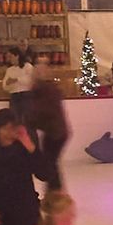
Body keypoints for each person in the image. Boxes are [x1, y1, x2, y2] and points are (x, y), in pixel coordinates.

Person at [25, 61, 71, 190]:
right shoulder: (47, 89)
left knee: (50, 163)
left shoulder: (44, 90)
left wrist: (29, 121)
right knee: (51, 163)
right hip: (56, 132)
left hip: (55, 133)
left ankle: (55, 191)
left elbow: (43, 111)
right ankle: (55, 191)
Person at [3, 49, 36, 118]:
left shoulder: (28, 66)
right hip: (14, 96)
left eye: (10, 56)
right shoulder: (9, 70)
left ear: (17, 56)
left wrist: (17, 79)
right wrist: (9, 84)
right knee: (15, 118)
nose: (9, 59)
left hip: (26, 96)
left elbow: (31, 80)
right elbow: (5, 86)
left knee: (27, 117)